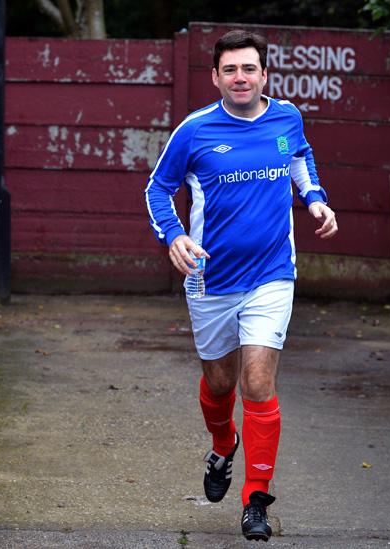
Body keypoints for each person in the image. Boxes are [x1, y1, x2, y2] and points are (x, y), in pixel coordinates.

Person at [143, 29, 338, 541]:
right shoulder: (196, 130)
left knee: (256, 382)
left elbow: (300, 159)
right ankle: (222, 442)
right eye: (230, 70)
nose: (241, 77)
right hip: (212, 280)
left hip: (273, 274)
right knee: (220, 384)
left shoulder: (287, 117)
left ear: (264, 74)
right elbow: (157, 188)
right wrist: (174, 235)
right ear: (215, 77)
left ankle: (256, 501)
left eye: (249, 68)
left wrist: (314, 197)